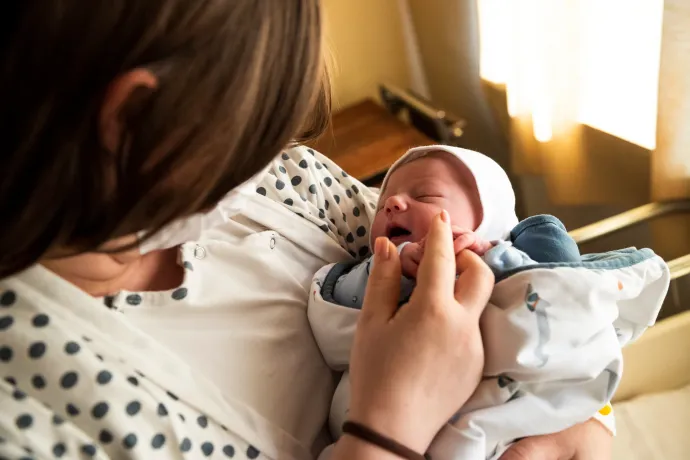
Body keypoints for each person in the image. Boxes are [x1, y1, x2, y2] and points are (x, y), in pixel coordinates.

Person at [0, 1, 613, 459]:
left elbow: (554, 308)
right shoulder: (31, 411)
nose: (272, 159)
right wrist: (389, 425)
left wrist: (582, 426)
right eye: (245, 136)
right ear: (133, 120)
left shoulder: (284, 181)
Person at [308, 146, 670, 458]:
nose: (391, 203)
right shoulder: (368, 277)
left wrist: (496, 259)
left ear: (490, 227)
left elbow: (570, 324)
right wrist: (389, 268)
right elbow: (332, 323)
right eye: (386, 202)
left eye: (426, 196)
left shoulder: (513, 268)